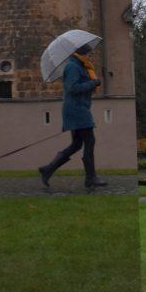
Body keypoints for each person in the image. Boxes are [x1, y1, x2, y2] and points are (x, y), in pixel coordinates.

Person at [38, 44, 108, 190]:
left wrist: (90, 82)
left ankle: (48, 169)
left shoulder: (80, 66)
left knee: (77, 144)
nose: (91, 56)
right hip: (76, 110)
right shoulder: (73, 67)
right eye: (90, 53)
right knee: (89, 141)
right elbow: (73, 88)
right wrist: (93, 83)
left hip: (78, 108)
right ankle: (91, 177)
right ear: (82, 53)